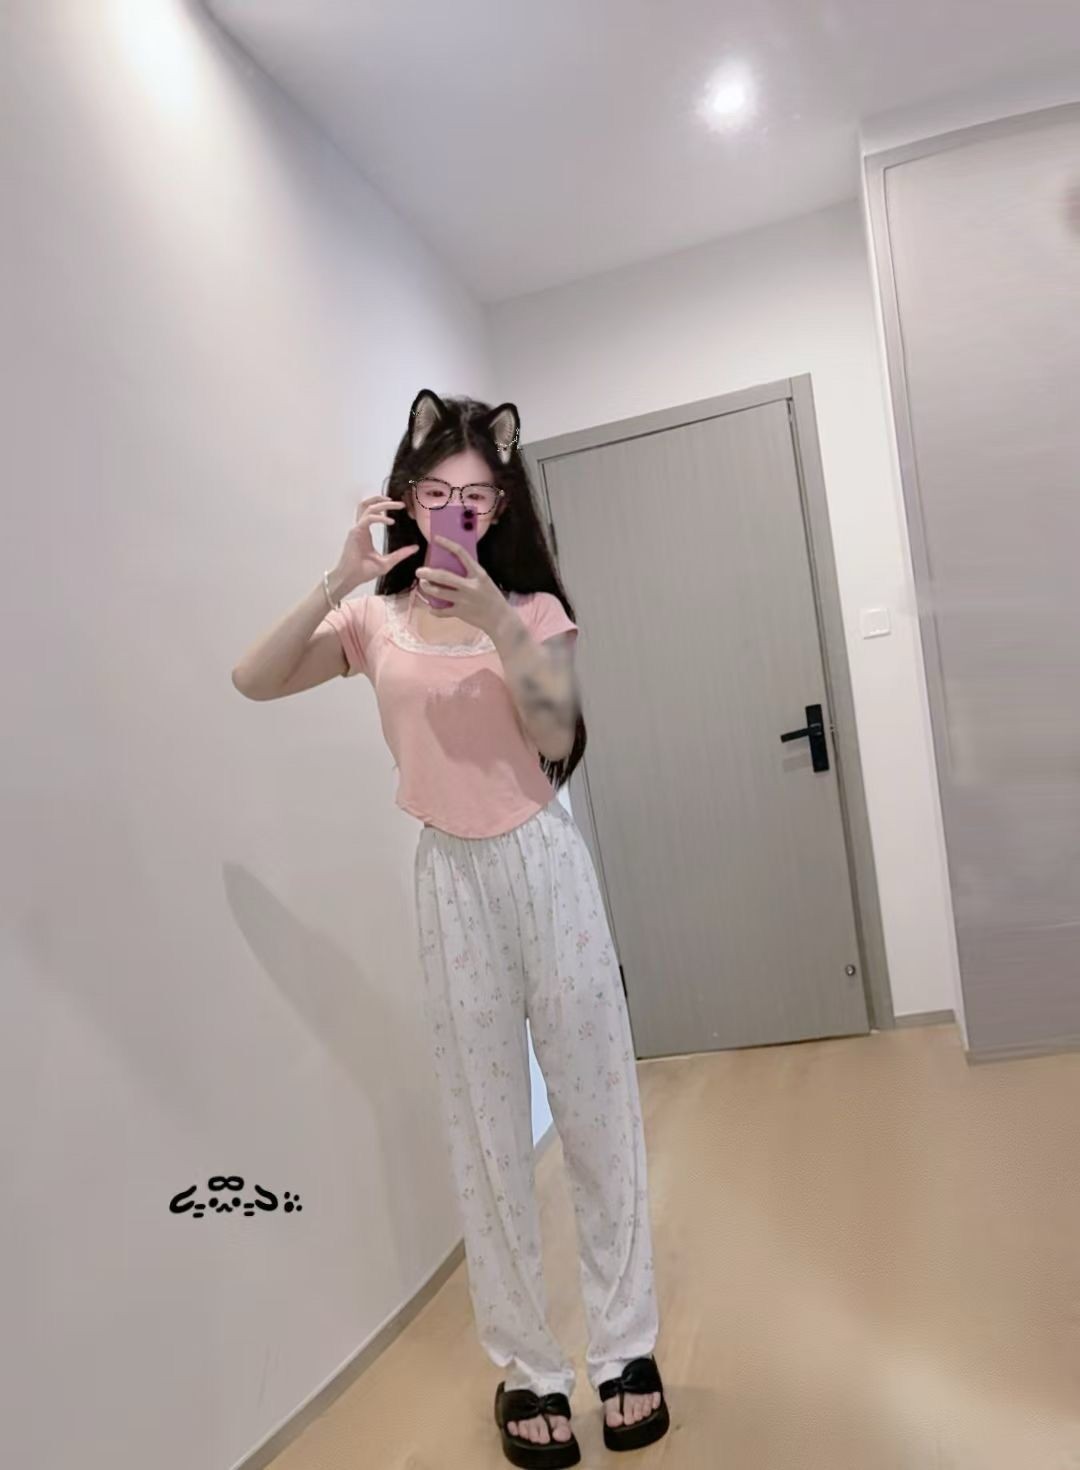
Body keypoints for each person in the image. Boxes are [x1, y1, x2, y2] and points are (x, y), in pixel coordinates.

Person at [232, 389, 669, 1467]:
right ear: (406, 496)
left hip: (546, 863)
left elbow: (558, 737)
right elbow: (253, 680)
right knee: (485, 1134)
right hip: (449, 880)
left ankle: (626, 1350)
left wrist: (496, 623)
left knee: (598, 1112)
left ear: (501, 505)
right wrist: (338, 575)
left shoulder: (533, 611)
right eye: (436, 494)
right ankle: (529, 1370)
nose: (454, 513)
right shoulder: (373, 621)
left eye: (475, 498)